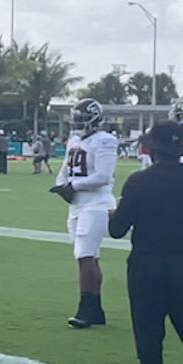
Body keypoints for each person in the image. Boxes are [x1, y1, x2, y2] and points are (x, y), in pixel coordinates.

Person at [108, 121, 183, 364]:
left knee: (150, 344)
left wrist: (113, 213)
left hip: (147, 268)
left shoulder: (139, 181)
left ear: (152, 149)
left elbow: (117, 230)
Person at [50, 98, 118, 329]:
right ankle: (96, 309)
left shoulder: (106, 140)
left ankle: (85, 309)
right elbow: (64, 169)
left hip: (97, 203)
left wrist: (74, 186)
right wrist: (61, 186)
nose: (78, 123)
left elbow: (103, 176)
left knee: (85, 255)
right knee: (89, 256)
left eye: (82, 119)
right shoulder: (75, 140)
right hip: (77, 204)